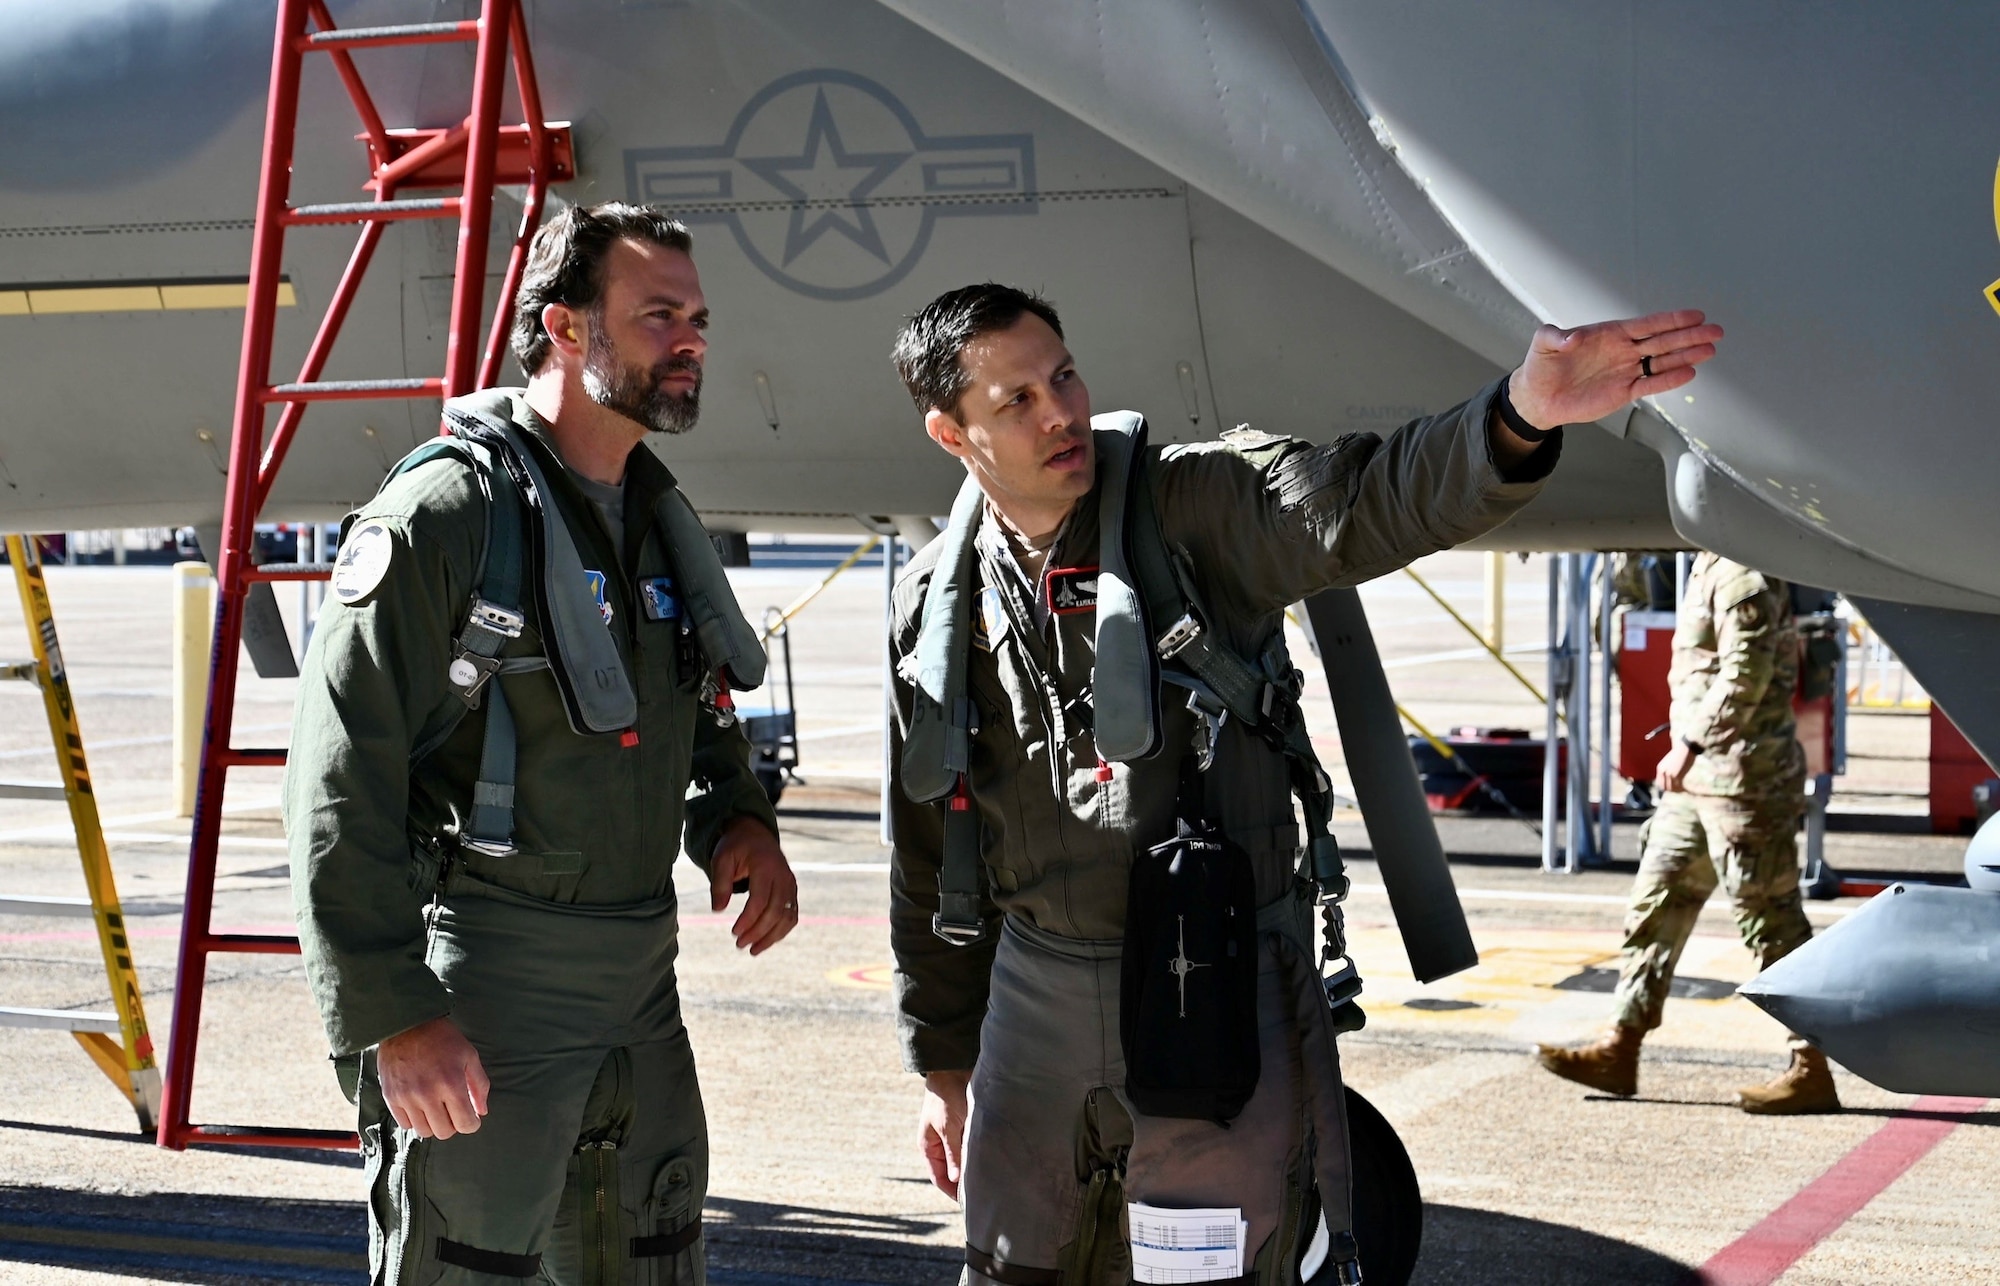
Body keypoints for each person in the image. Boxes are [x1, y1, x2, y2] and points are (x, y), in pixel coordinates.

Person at [884, 281, 1723, 1283]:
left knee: (1218, 1269)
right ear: (951, 430)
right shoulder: (934, 597)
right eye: (1013, 399)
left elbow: (1360, 501)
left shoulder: (1192, 504)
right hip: (1036, 1000)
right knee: (1016, 1266)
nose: (1058, 411)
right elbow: (929, 853)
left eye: (1060, 374)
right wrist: (943, 1061)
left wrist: (1516, 415)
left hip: (1211, 983)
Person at [285, 202, 799, 1283]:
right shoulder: (445, 516)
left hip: (640, 978)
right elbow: (341, 776)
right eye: (657, 314)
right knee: (462, 1259)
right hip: (489, 971)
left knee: (648, 1251)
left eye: (696, 316)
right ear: (565, 330)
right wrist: (393, 1013)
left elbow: (684, 696)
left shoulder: (651, 516)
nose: (691, 339)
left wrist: (733, 814)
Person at [1537, 551, 1837, 1114]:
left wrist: (1690, 743)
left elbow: (1744, 674)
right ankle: (1619, 1047)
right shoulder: (1707, 563)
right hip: (1697, 784)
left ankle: (1811, 1067)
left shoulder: (1745, 570)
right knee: (1655, 904)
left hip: (1743, 779)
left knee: (1771, 922)